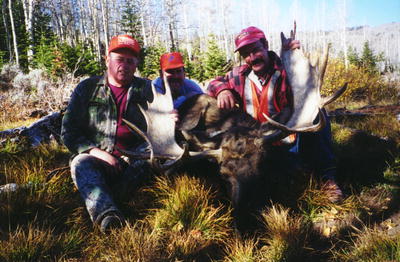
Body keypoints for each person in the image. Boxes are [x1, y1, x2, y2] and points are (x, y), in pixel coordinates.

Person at [207, 26, 343, 202]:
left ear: (265, 45)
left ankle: (327, 178)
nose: (252, 57)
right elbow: (214, 83)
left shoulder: (287, 71)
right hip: (257, 146)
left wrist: (292, 56)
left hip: (290, 141)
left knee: (317, 112)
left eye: (255, 50)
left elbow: (307, 91)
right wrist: (222, 90)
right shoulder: (238, 75)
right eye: (246, 54)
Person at [61, 35, 153, 233]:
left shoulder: (146, 89)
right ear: (107, 59)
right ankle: (108, 216)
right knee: (80, 163)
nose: (125, 65)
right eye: (120, 59)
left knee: (155, 154)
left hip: (134, 159)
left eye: (130, 61)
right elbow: (69, 132)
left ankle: (110, 194)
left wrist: (170, 118)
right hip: (97, 159)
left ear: (137, 63)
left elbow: (162, 120)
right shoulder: (87, 88)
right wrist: (99, 153)